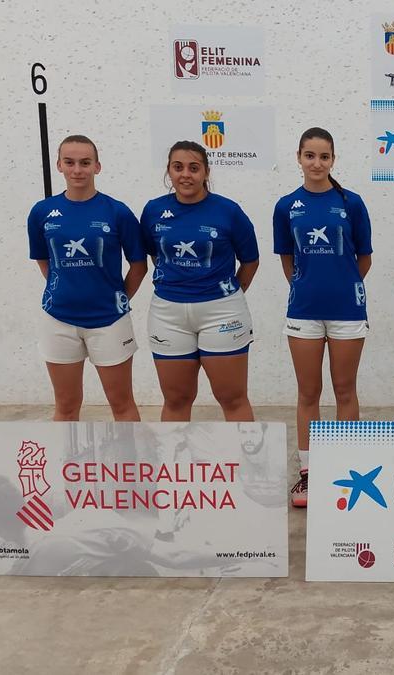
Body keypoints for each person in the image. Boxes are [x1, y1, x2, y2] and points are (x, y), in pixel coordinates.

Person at [273, 127, 373, 508]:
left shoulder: (352, 203)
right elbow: (287, 257)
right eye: (310, 155)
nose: (317, 163)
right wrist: (307, 286)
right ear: (299, 158)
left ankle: (345, 468)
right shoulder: (286, 206)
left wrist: (341, 284)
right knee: (309, 392)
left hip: (347, 310)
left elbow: (363, 257)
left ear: (333, 160)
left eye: (324, 156)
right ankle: (309, 474)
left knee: (345, 390)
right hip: (303, 313)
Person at [27, 135, 146, 422]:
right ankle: (63, 465)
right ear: (59, 165)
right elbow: (45, 261)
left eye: (85, 162)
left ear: (97, 166)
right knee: (66, 406)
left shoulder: (117, 212)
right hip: (58, 320)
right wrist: (66, 289)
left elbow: (139, 265)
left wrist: (116, 298)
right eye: (70, 162)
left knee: (122, 403)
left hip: (109, 321)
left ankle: (130, 465)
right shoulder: (42, 212)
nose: (77, 169)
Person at [140, 141, 260, 422]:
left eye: (194, 168)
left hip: (222, 313)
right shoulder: (154, 211)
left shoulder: (228, 211)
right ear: (168, 171)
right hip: (168, 315)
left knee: (232, 398)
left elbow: (250, 261)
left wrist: (227, 296)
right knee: (176, 400)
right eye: (178, 167)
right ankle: (176, 464)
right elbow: (155, 254)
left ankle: (246, 467)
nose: (186, 175)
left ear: (206, 171)